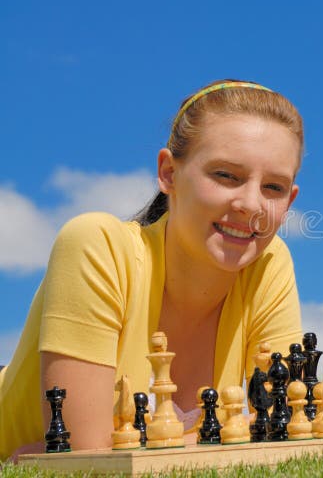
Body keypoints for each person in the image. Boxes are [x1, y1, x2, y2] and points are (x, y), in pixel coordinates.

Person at [0, 80, 305, 460]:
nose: (251, 205)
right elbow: (84, 458)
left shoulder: (270, 263)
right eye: (226, 176)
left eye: (273, 187)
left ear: (290, 200)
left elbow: (290, 433)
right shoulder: (97, 245)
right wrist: (238, 434)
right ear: (169, 174)